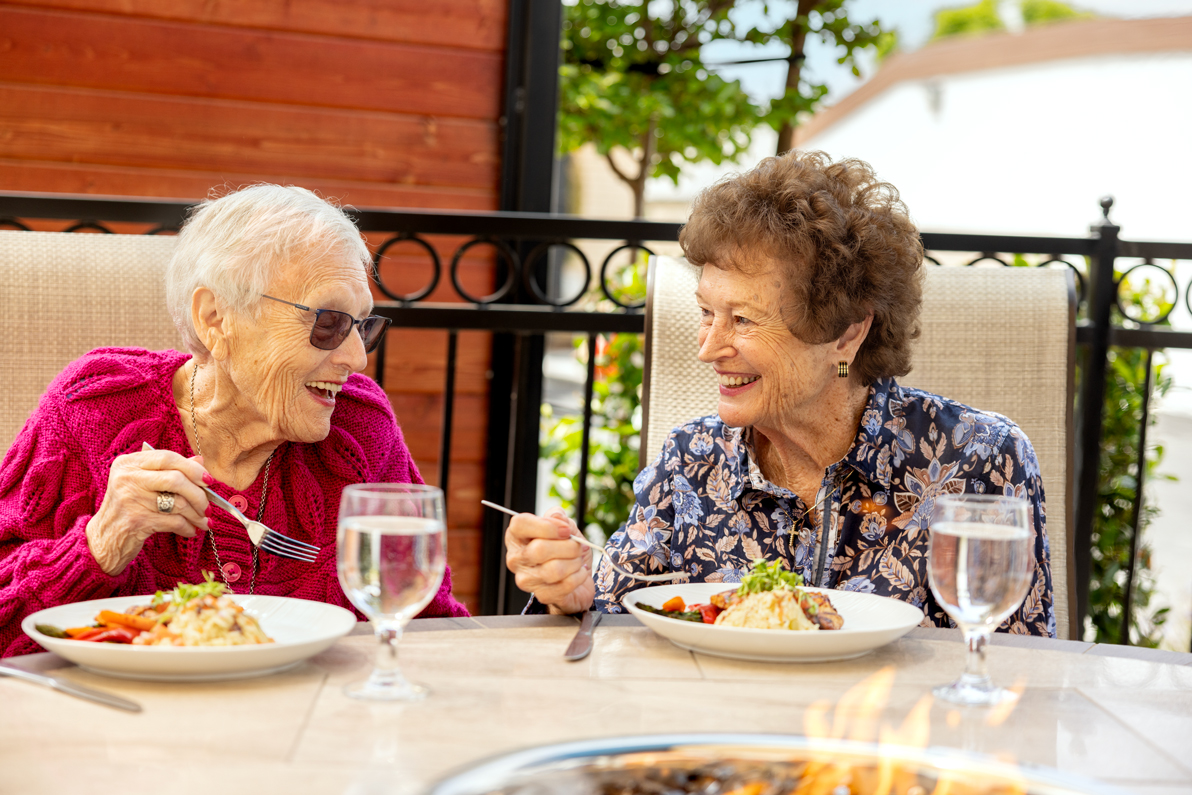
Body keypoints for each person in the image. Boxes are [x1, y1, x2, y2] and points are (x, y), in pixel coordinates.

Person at [505, 151, 1055, 637]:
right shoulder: (693, 462)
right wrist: (574, 593)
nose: (708, 348)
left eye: (743, 319)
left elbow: (1021, 668)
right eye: (706, 313)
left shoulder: (981, 458)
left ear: (847, 333)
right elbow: (615, 622)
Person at [0, 184, 468, 657]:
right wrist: (103, 542)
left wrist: (544, 604)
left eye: (363, 327)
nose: (356, 359)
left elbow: (426, 629)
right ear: (216, 317)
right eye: (328, 324)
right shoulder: (91, 408)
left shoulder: (359, 424)